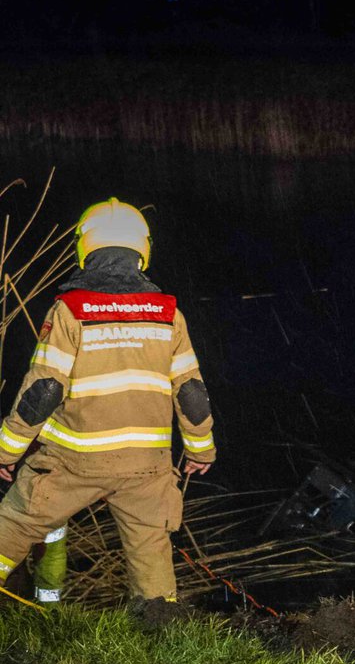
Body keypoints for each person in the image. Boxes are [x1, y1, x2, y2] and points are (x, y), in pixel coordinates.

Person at [0, 199, 216, 608]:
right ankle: (158, 631)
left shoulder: (70, 310)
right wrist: (201, 448)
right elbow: (191, 393)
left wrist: (7, 451)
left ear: (85, 248)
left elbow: (43, 391)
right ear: (143, 250)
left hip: (74, 460)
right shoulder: (168, 314)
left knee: (16, 522)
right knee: (151, 548)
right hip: (147, 465)